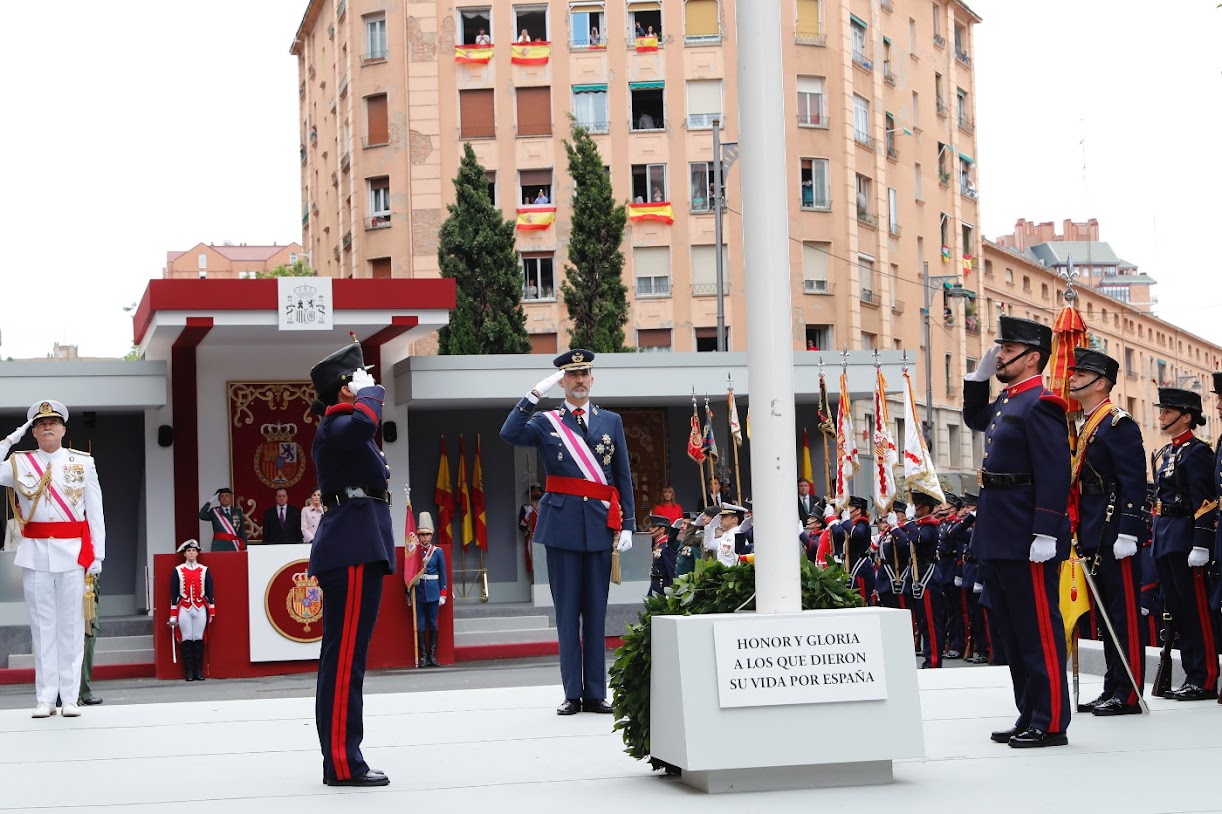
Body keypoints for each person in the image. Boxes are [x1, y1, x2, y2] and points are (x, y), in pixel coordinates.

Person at [500, 349, 635, 716]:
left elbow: (622, 475)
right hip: (561, 528)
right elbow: (509, 433)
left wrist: (628, 524)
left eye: (584, 373)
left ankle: (595, 694)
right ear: (562, 382)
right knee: (567, 614)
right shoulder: (547, 422)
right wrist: (533, 395)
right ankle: (572, 693)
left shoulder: (610, 421)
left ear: (593, 379)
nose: (579, 380)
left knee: (596, 613)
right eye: (572, 375)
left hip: (600, 525)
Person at [963, 314, 1071, 748]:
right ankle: (1029, 713)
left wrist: (1046, 530)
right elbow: (975, 419)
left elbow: (1055, 472)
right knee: (1012, 630)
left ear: (1032, 358)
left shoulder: (1042, 403)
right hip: (999, 529)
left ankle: (1051, 721)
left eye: (1007, 350)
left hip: (1027, 534)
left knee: (1038, 629)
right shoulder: (1009, 402)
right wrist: (977, 381)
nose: (999, 356)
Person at [308, 341, 395, 787]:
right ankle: (343, 761)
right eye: (360, 377)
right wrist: (370, 394)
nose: (370, 382)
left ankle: (341, 757)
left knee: (345, 658)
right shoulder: (338, 422)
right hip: (353, 547)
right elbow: (363, 423)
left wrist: (366, 395)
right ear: (346, 387)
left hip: (359, 543)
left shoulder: (344, 424)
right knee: (345, 661)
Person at [0, 400, 106, 719]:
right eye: (41, 424)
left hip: (73, 553)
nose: (47, 427)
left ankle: (70, 698)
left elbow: (95, 512)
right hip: (35, 554)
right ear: (33, 432)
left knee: (71, 627)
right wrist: (11, 438)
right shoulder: (20, 462)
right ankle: (46, 698)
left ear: (63, 430)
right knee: (42, 627)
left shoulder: (82, 463)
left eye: (53, 423)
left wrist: (98, 554)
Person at [1063, 348, 1147, 716]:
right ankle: (1113, 685)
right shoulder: (1087, 424)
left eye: (1080, 374)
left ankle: (1129, 692)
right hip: (1093, 526)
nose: (1072, 378)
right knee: (1106, 614)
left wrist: (1129, 531)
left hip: (1114, 529)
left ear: (1101, 383)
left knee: (1123, 613)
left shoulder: (1117, 423)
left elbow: (1133, 481)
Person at [1149, 386, 1217, 701]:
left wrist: (1201, 542)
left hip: (1186, 538)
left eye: (1167, 411)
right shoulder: (1167, 452)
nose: (1161, 416)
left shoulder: (1198, 452)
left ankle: (1205, 677)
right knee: (1178, 610)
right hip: (1166, 536)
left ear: (1186, 417)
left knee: (1195, 609)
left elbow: (1206, 501)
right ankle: (1192, 674)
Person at [169, 539, 215, 682]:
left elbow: (210, 591)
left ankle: (198, 671)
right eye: (188, 551)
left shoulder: (204, 569)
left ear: (197, 553)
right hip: (184, 607)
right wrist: (173, 615)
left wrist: (212, 610)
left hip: (200, 607)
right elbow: (174, 594)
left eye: (193, 551)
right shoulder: (178, 570)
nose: (191, 553)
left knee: (199, 638)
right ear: (184, 554)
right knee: (187, 638)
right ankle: (189, 672)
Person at [410, 513, 447, 668]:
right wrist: (408, 592)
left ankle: (432, 656)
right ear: (418, 536)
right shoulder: (414, 551)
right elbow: (409, 572)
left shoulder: (437, 552)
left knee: (433, 623)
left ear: (431, 536)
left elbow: (443, 574)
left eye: (427, 535)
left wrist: (443, 594)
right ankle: (423, 657)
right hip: (418, 592)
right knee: (420, 624)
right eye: (422, 535)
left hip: (433, 592)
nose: (425, 538)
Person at [830, 496, 873, 603]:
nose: (846, 510)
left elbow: (857, 534)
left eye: (849, 507)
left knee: (861, 598)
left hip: (860, 566)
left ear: (858, 510)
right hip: (850, 564)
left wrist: (846, 521)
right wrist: (831, 517)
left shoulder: (863, 524)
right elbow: (838, 533)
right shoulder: (849, 525)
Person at [78, 572, 102, 706]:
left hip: (90, 606)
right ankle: (72, 694)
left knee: (88, 650)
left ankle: (84, 692)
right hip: (77, 605)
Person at [199, 487, 247, 552]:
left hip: (234, 545)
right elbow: (201, 515)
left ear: (230, 498)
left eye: (227, 496)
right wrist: (210, 501)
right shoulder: (214, 511)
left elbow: (242, 529)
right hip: (219, 545)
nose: (224, 498)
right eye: (222, 496)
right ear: (218, 499)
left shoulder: (237, 511)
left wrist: (244, 545)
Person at [647, 514, 677, 596]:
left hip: (663, 585)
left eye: (653, 527)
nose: (650, 529)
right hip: (656, 583)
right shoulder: (658, 544)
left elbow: (671, 569)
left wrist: (671, 590)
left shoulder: (666, 547)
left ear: (662, 529)